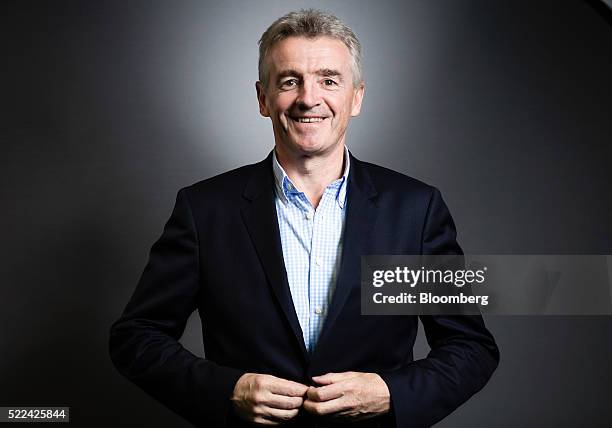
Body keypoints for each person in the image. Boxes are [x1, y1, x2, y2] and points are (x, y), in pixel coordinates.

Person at [109, 9, 499, 428]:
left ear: (356, 97)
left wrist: (391, 392)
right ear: (263, 98)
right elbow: (137, 337)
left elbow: (469, 348)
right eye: (289, 81)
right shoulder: (205, 211)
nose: (308, 98)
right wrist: (227, 390)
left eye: (329, 80)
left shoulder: (414, 211)